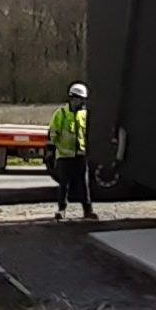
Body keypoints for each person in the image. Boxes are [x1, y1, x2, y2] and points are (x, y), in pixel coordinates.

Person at [48, 82, 96, 222]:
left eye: (82, 99)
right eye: (77, 99)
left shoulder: (85, 114)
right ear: (71, 98)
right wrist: (51, 151)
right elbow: (53, 134)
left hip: (80, 156)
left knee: (83, 184)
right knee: (64, 184)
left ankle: (88, 211)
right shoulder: (61, 113)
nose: (80, 102)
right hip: (64, 156)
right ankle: (61, 210)